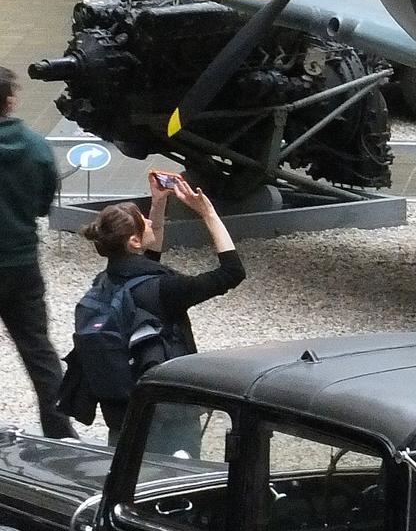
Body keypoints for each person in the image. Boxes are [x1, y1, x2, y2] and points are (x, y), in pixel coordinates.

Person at [59, 173, 246, 442]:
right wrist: (208, 214)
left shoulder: (104, 283)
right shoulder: (165, 290)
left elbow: (149, 257)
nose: (150, 221)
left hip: (122, 411)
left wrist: (159, 203)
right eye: (144, 220)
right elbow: (232, 272)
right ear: (133, 241)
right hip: (169, 416)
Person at [0, 68, 76, 439]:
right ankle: (59, 431)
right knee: (39, 352)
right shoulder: (34, 145)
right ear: (10, 100)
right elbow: (45, 201)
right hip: (22, 264)